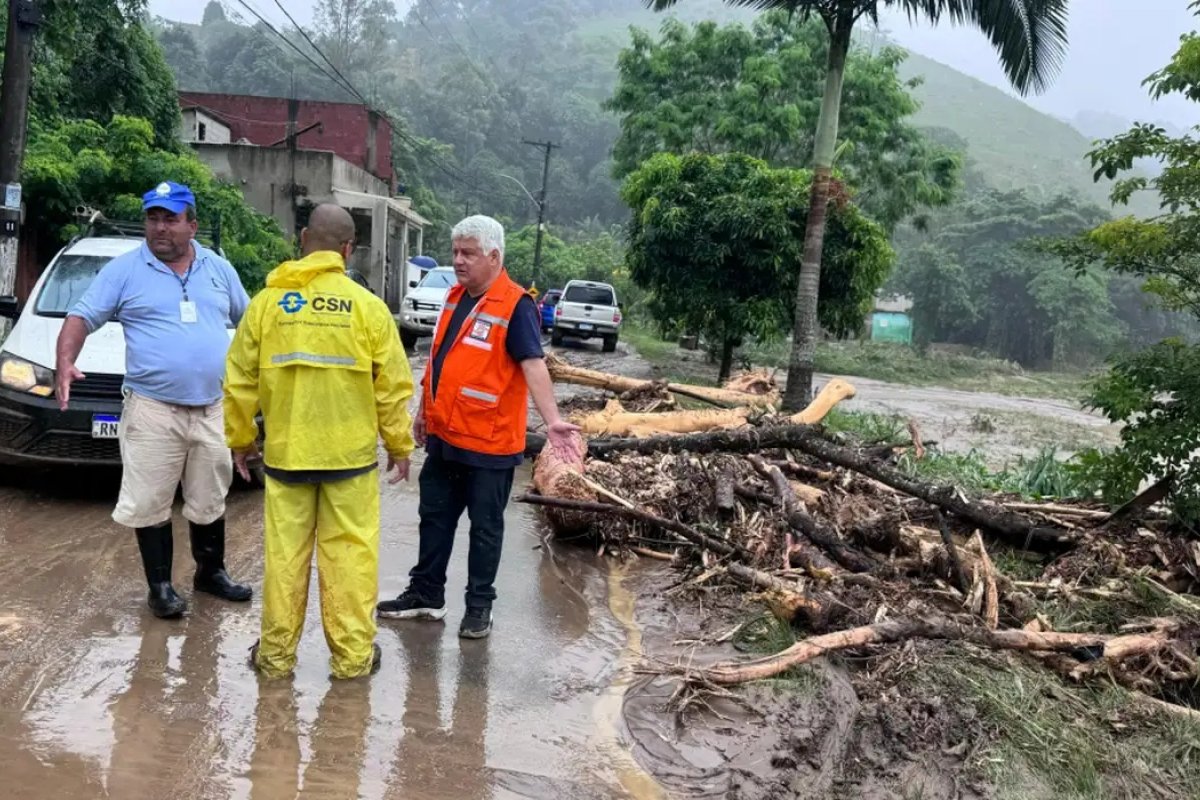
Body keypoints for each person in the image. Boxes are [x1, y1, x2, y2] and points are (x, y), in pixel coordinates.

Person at [224, 203, 415, 679]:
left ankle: (275, 659)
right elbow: (392, 385)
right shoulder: (368, 308)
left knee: (285, 561)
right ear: (348, 250)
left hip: (288, 458)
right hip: (349, 463)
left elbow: (239, 379)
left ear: (304, 238)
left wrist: (242, 440)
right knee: (350, 561)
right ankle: (352, 663)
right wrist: (399, 445)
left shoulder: (267, 304)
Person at [376, 215, 580, 639]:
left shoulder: (516, 305)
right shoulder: (454, 297)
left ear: (494, 256)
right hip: (446, 440)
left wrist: (553, 419)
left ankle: (479, 607)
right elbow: (440, 361)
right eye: (455, 252)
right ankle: (426, 595)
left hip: (489, 447)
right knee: (434, 519)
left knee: (485, 530)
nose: (458, 261)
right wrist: (422, 412)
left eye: (467, 253)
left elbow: (533, 364)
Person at [56, 181, 253, 619]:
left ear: (192, 225)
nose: (160, 227)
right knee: (150, 500)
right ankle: (161, 586)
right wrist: (65, 361)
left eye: (170, 218)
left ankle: (210, 573)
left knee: (208, 497)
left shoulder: (219, 269)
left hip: (212, 407)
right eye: (153, 218)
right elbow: (81, 316)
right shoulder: (124, 271)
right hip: (152, 409)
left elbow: (251, 321)